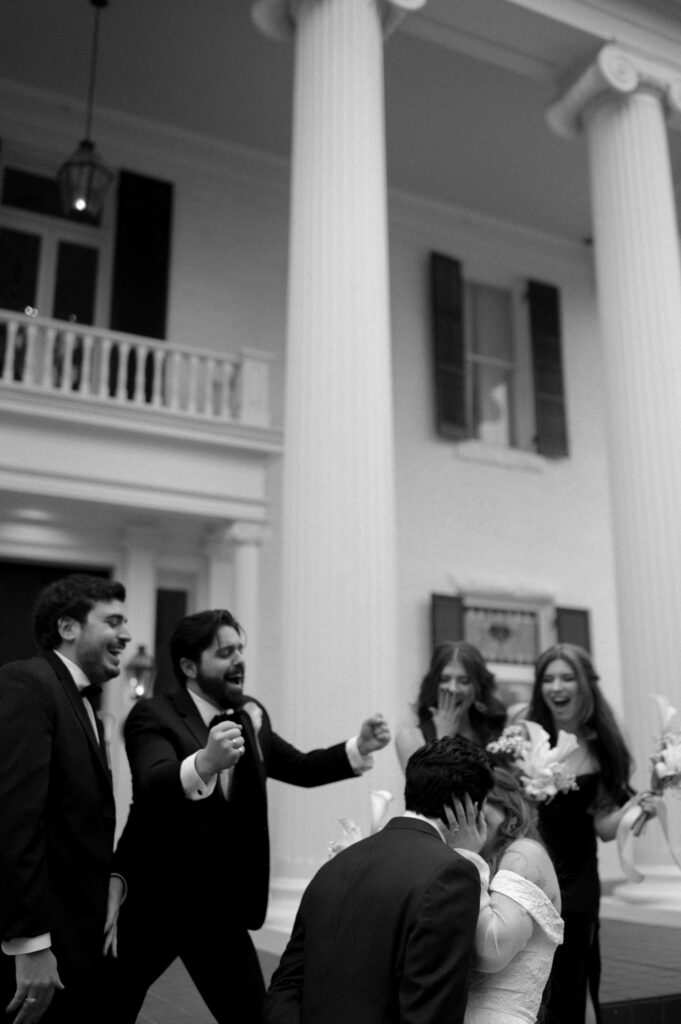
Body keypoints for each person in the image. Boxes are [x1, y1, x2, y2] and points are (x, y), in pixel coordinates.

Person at [105, 608, 391, 1024]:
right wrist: (205, 761)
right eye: (225, 652)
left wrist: (358, 748)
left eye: (241, 649)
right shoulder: (154, 714)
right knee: (107, 1007)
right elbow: (152, 782)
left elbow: (301, 767)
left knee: (254, 1017)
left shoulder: (250, 715)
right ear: (189, 666)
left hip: (218, 908)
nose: (239, 659)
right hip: (154, 899)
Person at [264, 735, 495, 1024]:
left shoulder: (337, 864)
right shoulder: (452, 874)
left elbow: (287, 984)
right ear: (471, 807)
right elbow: (432, 1012)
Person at [0, 574, 131, 1024]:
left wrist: (111, 878)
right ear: (69, 627)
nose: (126, 635)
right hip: (40, 949)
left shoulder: (86, 706)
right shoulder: (27, 684)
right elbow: (15, 819)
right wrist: (31, 944)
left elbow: (79, 820)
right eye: (112, 621)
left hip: (80, 942)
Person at [525, 643, 657, 1024]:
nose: (556, 686)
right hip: (528, 867)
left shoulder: (600, 748)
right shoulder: (524, 733)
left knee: (575, 966)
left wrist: (637, 807)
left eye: (567, 677)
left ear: (585, 685)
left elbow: (603, 827)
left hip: (579, 874)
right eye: (548, 679)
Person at [446, 765, 564, 1024]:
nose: (465, 815)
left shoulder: (525, 853)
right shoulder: (473, 865)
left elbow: (492, 952)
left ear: (511, 815)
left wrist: (466, 856)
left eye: (476, 803)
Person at [396, 641, 506, 771]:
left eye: (463, 681)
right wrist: (443, 738)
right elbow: (425, 787)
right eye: (445, 679)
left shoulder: (494, 732)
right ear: (434, 684)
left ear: (477, 687)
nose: (452, 689)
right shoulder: (411, 736)